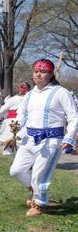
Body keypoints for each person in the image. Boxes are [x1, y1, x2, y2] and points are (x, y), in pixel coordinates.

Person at [10, 59, 78, 217]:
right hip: (29, 139)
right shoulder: (30, 94)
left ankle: (39, 203)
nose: (38, 74)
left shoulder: (61, 92)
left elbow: (74, 117)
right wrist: (16, 126)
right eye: (36, 71)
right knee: (16, 170)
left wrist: (69, 138)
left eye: (43, 71)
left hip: (50, 141)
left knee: (40, 174)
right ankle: (34, 190)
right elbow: (22, 114)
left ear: (51, 74)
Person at [0, 82, 31, 156]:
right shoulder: (31, 99)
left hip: (12, 121)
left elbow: (2, 110)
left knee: (9, 140)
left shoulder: (13, 99)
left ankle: (9, 154)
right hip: (26, 123)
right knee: (22, 142)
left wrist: (6, 104)